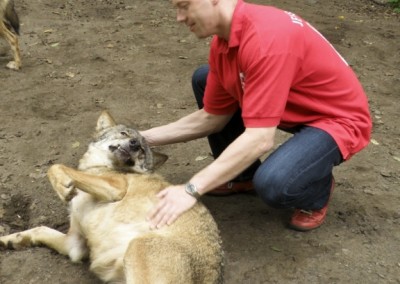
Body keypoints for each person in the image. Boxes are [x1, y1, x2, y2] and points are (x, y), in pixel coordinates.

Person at [142, 0, 372, 232]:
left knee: (275, 183)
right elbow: (212, 118)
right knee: (205, 78)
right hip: (293, 105)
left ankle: (316, 192)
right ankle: (243, 176)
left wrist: (191, 189)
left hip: (336, 119)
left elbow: (260, 138)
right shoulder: (224, 41)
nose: (179, 17)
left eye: (184, 5)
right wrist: (139, 139)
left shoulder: (266, 39)